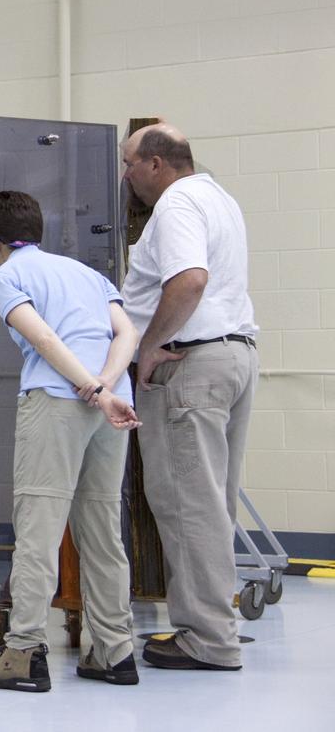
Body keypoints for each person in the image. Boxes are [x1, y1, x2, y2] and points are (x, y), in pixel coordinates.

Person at [0, 191, 142, 693]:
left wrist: (88, 387)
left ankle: (22, 651)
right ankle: (114, 651)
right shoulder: (87, 273)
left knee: (39, 528)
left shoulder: (6, 276)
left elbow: (43, 339)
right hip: (113, 406)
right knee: (103, 532)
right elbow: (126, 334)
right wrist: (107, 388)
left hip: (58, 401)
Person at [120, 123, 258, 672]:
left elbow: (189, 281)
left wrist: (148, 346)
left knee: (186, 503)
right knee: (212, 501)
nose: (126, 176)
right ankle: (217, 626)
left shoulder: (175, 205)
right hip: (235, 355)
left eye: (129, 164)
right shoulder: (219, 198)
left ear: (155, 164)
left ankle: (207, 639)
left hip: (191, 362)